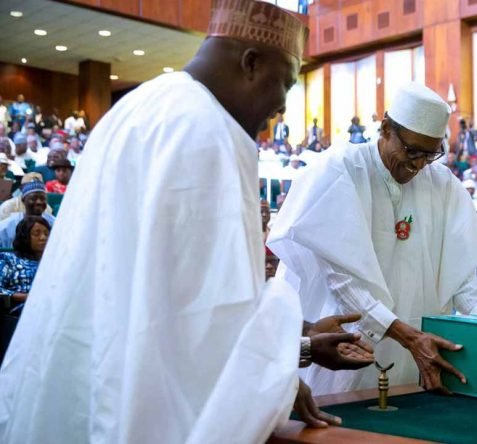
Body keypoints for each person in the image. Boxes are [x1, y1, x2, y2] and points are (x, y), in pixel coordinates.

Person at [0, 3, 369, 442]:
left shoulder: (140, 105)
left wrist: (296, 348)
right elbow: (206, 319)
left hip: (77, 393)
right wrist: (279, 371)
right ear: (251, 63)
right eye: (286, 83)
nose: (283, 105)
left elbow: (161, 300)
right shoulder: (207, 132)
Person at [269, 82, 477, 395]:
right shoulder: (340, 170)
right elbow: (344, 283)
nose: (418, 165)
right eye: (412, 151)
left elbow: (463, 279)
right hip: (349, 346)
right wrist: (411, 338)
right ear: (386, 129)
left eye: (430, 154)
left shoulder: (442, 183)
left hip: (418, 352)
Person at [0, 215, 49, 316]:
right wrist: (26, 297)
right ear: (25, 237)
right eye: (37, 233)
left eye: (46, 234)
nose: (43, 237)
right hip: (19, 311)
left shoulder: (53, 263)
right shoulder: (8, 259)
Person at [0, 179, 55, 249]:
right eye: (33, 198)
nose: (39, 202)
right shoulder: (8, 224)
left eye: (42, 199)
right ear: (23, 200)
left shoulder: (55, 223)